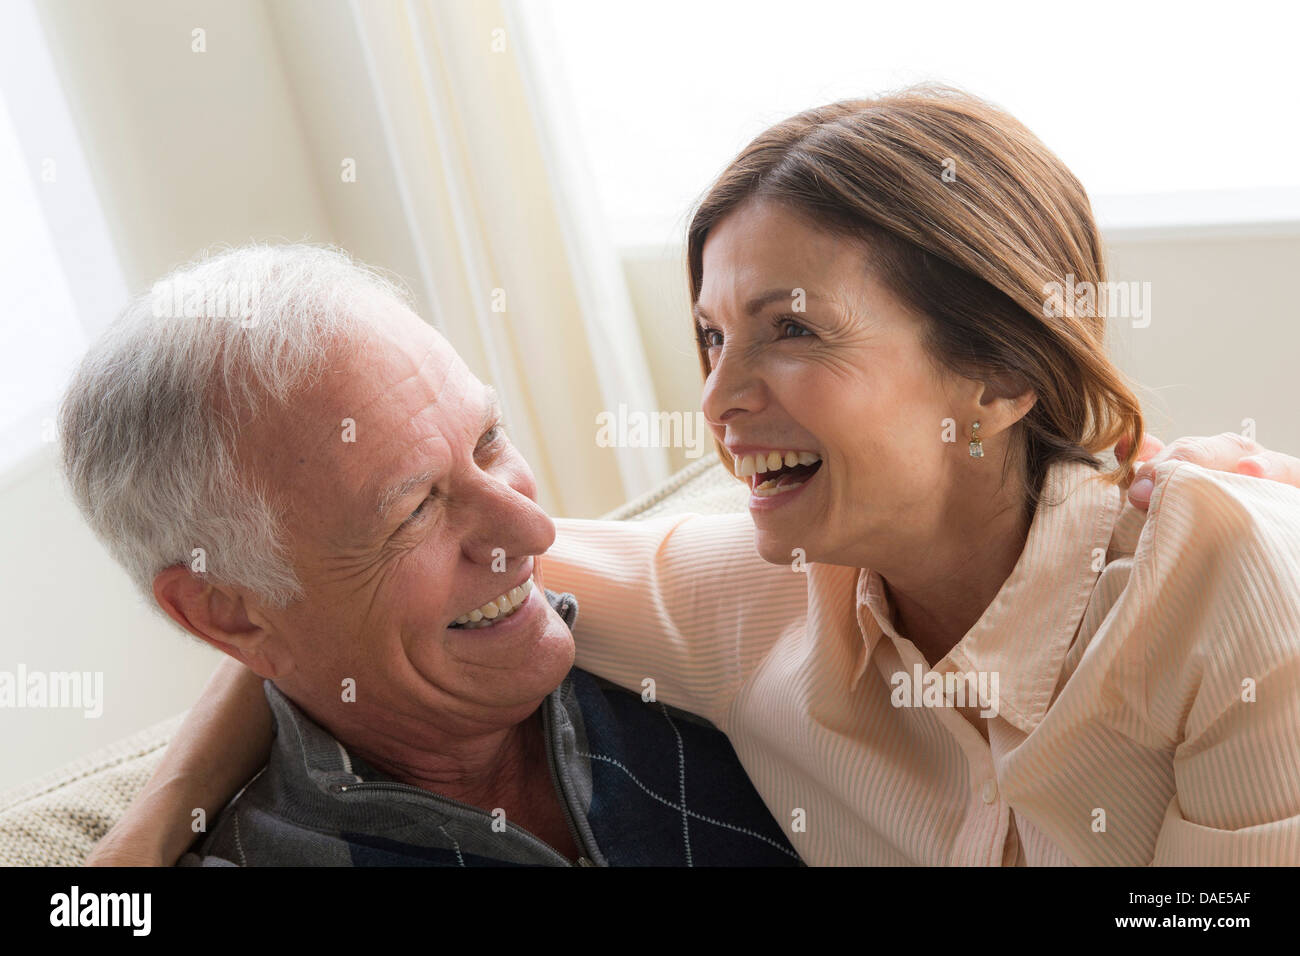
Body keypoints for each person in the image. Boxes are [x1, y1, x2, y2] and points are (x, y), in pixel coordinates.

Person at [88, 87, 1300, 867]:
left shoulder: (1227, 574)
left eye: (793, 329)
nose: (717, 404)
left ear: (998, 375)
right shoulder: (753, 600)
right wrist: (144, 835)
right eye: (713, 338)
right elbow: (326, 611)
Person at [58, 245, 800, 867]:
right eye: (416, 509)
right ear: (229, 612)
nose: (533, 528)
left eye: (489, 440)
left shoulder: (711, 617)